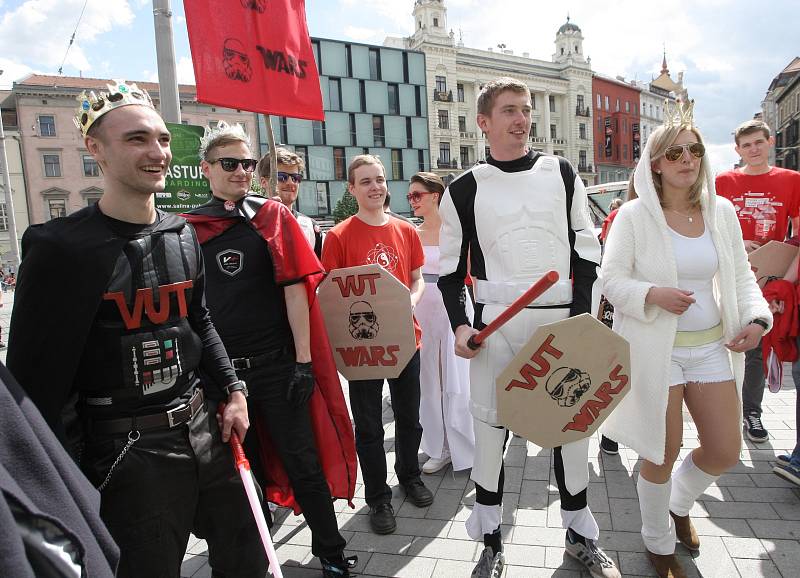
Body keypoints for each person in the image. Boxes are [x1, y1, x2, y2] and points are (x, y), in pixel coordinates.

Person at [6, 81, 265, 577]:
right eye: (136, 139)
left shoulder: (182, 232)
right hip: (124, 455)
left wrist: (233, 390)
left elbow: (199, 320)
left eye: (163, 139)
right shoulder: (60, 248)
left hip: (202, 430)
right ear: (95, 149)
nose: (157, 152)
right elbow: (31, 387)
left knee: (249, 557)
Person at [438, 77, 619, 578]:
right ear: (484, 122)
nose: (522, 120)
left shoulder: (561, 173)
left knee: (572, 430)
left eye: (525, 111)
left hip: (561, 323)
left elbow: (586, 250)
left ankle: (580, 533)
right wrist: (459, 326)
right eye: (510, 111)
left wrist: (580, 320)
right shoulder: (463, 189)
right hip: (497, 329)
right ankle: (491, 538)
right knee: (491, 432)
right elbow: (451, 274)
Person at [601, 103, 772, 578]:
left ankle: (678, 503)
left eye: (694, 149)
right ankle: (656, 539)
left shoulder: (722, 211)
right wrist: (651, 293)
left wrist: (757, 318)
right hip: (658, 350)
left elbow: (741, 276)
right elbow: (610, 281)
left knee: (723, 450)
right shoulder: (633, 216)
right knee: (661, 448)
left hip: (714, 346)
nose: (686, 158)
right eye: (674, 152)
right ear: (654, 163)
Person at [182, 123, 358, 578]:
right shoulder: (187, 230)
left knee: (304, 463)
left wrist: (303, 363)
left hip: (279, 368)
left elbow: (297, 290)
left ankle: (333, 555)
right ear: (207, 169)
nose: (241, 171)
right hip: (224, 380)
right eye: (229, 163)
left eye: (246, 163)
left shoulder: (271, 218)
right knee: (244, 474)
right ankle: (256, 558)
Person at [321, 154, 433, 535]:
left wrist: (412, 300)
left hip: (406, 341)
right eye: (365, 181)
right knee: (368, 427)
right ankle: (378, 497)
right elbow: (330, 294)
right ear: (351, 189)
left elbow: (416, 279)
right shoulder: (337, 237)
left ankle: (410, 476)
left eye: (380, 179)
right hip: (363, 348)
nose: (375, 187)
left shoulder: (405, 230)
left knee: (409, 418)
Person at [716, 119, 800, 443]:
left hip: (768, 275)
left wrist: (785, 284)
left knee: (755, 347)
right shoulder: (723, 181)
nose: (753, 149)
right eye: (746, 145)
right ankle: (723, 412)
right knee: (719, 344)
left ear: (770, 143)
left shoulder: (791, 181)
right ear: (737, 149)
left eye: (758, 143)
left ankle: (752, 411)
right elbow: (709, 226)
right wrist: (736, 242)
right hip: (728, 273)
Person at [407, 171, 475, 474]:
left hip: (454, 307)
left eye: (417, 195)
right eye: (409, 196)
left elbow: (473, 273)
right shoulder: (411, 233)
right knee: (428, 380)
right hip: (422, 308)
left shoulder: (457, 230)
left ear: (436, 196)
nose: (412, 201)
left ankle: (465, 444)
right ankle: (438, 445)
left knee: (458, 379)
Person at [257, 147, 323, 256]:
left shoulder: (311, 227)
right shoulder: (252, 225)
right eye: (281, 177)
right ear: (264, 182)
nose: (290, 183)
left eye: (295, 178)